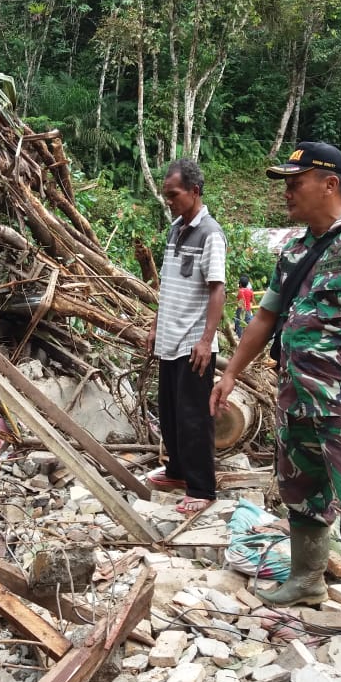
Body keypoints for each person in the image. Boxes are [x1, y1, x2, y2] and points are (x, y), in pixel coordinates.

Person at [211, 141, 341, 653]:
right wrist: (232, 372)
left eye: (294, 182)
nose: (287, 192)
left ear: (329, 185)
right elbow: (265, 318)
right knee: (300, 488)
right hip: (297, 398)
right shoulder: (295, 251)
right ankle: (307, 577)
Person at [146, 158, 226, 514]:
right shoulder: (176, 228)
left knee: (195, 416)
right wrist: (154, 326)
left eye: (174, 194)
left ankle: (202, 487)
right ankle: (177, 471)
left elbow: (217, 290)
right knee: (170, 412)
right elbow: (168, 287)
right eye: (166, 195)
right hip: (169, 338)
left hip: (194, 342)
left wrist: (207, 340)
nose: (169, 200)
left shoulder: (211, 234)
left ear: (194, 191)